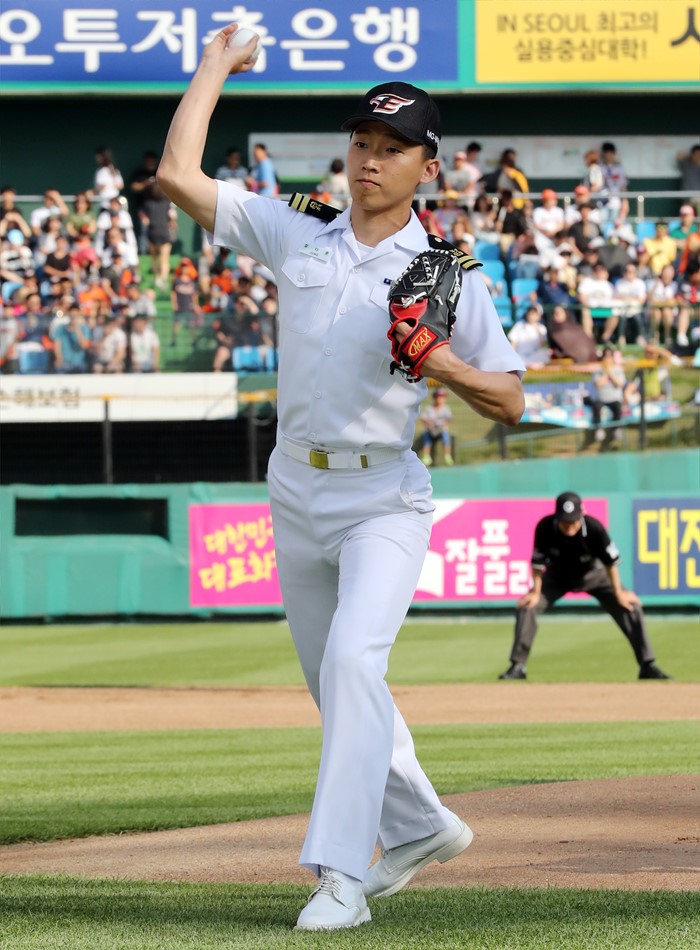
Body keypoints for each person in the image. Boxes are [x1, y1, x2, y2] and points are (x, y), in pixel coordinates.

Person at [157, 25, 525, 932]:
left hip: (382, 496)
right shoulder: (301, 231)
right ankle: (423, 824)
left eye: (392, 147)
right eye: (362, 140)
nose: (369, 158)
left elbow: (511, 400)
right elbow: (176, 177)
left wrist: (444, 365)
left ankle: (339, 876)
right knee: (337, 684)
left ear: (427, 168)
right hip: (294, 487)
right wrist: (214, 66)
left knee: (355, 660)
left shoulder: (445, 272)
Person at [498, 491, 671, 682]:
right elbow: (537, 565)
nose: (569, 527)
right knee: (527, 607)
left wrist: (619, 593)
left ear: (582, 513)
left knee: (631, 607)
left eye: (573, 521)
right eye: (564, 522)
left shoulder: (594, 528)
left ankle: (647, 665)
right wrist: (535, 592)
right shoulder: (545, 527)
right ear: (557, 517)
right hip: (557, 576)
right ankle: (518, 666)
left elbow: (610, 563)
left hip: (593, 574)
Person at [418, 387, 454, 466]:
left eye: (443, 397)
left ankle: (447, 456)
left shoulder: (446, 408)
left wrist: (443, 426)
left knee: (446, 436)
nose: (441, 399)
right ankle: (426, 456)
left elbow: (448, 419)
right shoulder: (429, 408)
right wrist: (429, 425)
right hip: (431, 430)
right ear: (434, 397)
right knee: (426, 437)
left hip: (442, 430)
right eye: (439, 397)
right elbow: (423, 418)